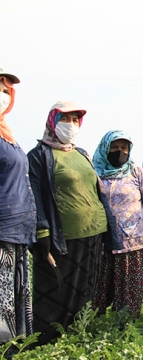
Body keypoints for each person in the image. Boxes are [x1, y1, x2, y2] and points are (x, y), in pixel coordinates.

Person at [28, 101, 118, 345]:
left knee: (85, 287)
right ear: (52, 122)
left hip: (94, 232)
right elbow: (34, 195)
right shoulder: (39, 156)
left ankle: (77, 336)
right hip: (63, 235)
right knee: (57, 288)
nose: (71, 124)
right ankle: (47, 339)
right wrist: (42, 230)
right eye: (65, 119)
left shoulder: (81, 153)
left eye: (75, 120)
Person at [92, 130, 143, 319]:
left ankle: (125, 328)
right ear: (105, 148)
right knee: (98, 291)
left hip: (134, 242)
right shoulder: (94, 172)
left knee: (129, 293)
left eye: (124, 148)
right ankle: (94, 327)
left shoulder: (136, 172)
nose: (119, 151)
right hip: (103, 242)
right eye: (114, 147)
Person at [0, 69, 35, 345]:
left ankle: (16, 347)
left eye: (5, 90)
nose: (2, 94)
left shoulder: (8, 135)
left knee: (15, 293)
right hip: (2, 231)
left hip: (17, 231)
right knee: (3, 300)